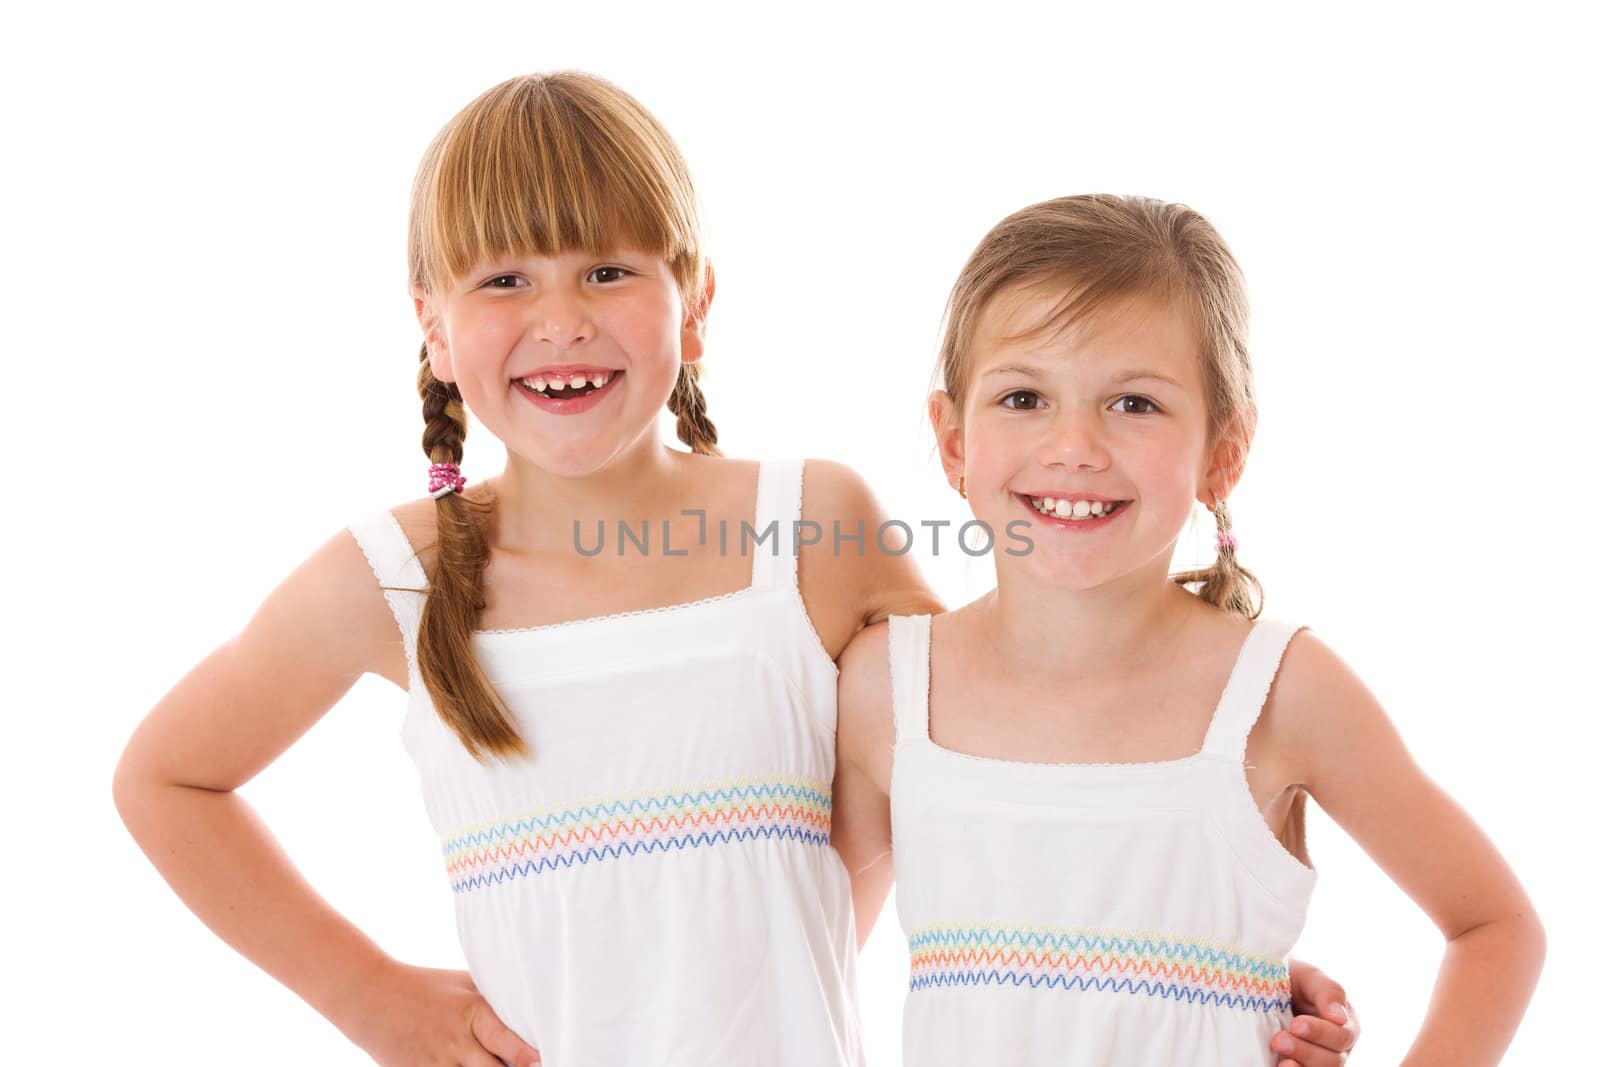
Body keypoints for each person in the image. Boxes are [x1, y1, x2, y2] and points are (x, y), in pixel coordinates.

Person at [111, 74, 1357, 1066]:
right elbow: (166, 777)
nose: (561, 319)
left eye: (609, 269)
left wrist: (1203, 956)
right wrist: (367, 994)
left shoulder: (807, 527)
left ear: (694, 300)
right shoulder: (395, 574)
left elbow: (1009, 755)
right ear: (433, 326)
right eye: (505, 279)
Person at [832, 194, 1543, 1066]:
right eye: (1024, 396)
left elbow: (1495, 926)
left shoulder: (1281, 690)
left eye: (1133, 404)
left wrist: (1212, 974)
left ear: (1223, 451)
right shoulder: (887, 693)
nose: (1075, 446)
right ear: (952, 440)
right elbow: (812, 966)